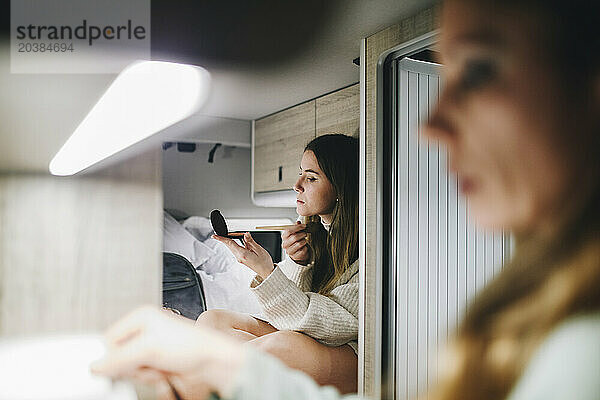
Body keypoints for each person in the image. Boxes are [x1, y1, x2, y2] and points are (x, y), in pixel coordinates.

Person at [91, 1, 600, 399]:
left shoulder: (380, 241)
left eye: (481, 71)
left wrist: (265, 280)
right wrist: (281, 270)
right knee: (217, 324)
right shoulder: (536, 295)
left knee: (273, 345)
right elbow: (298, 307)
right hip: (318, 339)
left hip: (344, 350)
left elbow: (325, 322)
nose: (432, 124)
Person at [195, 134, 359, 393]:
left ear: (341, 188)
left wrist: (266, 270)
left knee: (276, 348)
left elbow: (334, 328)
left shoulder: (369, 248)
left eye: (311, 178)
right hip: (312, 336)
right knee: (211, 321)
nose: (297, 185)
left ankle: (193, 378)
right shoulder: (316, 234)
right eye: (300, 174)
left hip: (350, 353)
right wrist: (297, 261)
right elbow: (288, 317)